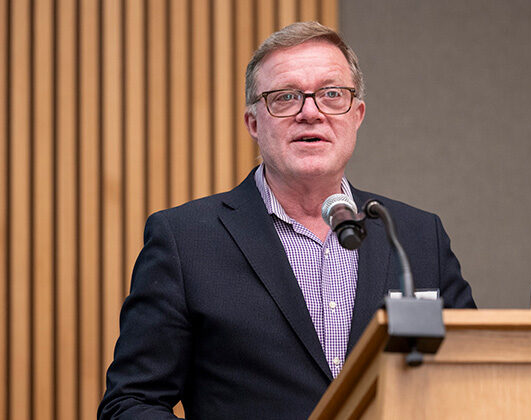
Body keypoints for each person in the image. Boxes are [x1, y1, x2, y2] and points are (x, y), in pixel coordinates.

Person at [98, 22, 476, 419]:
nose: (310, 112)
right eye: (285, 97)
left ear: (357, 115)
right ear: (253, 124)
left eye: (332, 94)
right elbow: (130, 405)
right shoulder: (186, 241)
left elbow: (473, 378)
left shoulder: (415, 236)